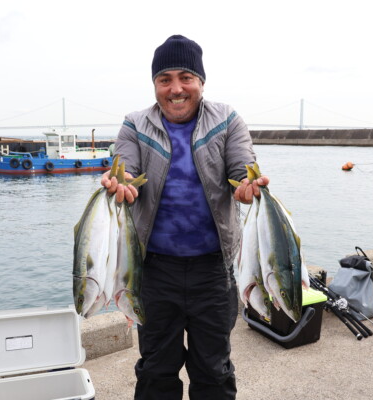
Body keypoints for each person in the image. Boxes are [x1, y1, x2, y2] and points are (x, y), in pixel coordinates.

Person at [101, 34, 268, 400]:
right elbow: (124, 166)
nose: (176, 88)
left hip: (214, 272)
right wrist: (121, 181)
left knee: (213, 369)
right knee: (156, 369)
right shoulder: (134, 124)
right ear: (155, 85)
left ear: (201, 82)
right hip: (154, 272)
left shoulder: (227, 120)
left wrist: (245, 184)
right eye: (165, 80)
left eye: (186, 77)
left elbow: (243, 166)